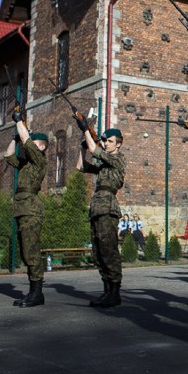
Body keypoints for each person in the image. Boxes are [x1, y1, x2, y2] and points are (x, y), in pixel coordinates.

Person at [77, 126, 126, 308]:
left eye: (110, 141)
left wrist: (85, 130)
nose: (106, 144)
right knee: (98, 252)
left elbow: (94, 150)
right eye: (105, 141)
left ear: (118, 144)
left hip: (108, 209)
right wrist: (82, 147)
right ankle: (106, 291)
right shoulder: (104, 164)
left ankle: (115, 292)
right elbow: (81, 166)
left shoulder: (117, 159)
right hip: (97, 209)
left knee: (109, 251)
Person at [4, 111, 49, 308]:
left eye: (34, 143)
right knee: (25, 250)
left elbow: (26, 141)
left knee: (31, 250)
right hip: (22, 208)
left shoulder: (40, 161)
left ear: (41, 146)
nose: (29, 145)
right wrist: (15, 137)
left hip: (31, 208)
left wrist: (19, 122)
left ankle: (36, 293)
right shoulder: (24, 165)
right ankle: (33, 291)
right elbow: (8, 155)